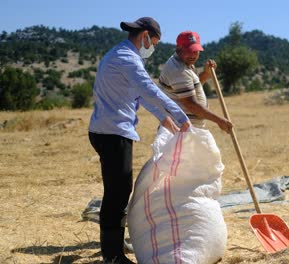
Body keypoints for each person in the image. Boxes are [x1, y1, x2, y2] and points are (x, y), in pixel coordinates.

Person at [88, 17, 191, 264]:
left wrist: (162, 117)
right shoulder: (127, 58)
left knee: (118, 190)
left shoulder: (121, 54)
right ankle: (112, 256)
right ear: (145, 36)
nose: (152, 47)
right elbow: (149, 89)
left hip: (108, 130)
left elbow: (139, 94)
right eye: (153, 42)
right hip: (113, 133)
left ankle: (113, 248)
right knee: (118, 192)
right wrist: (180, 115)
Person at [158, 31, 233, 133]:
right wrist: (219, 120)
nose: (193, 55)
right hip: (180, 130)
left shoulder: (185, 63)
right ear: (178, 48)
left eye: (195, 51)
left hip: (188, 128)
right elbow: (191, 104)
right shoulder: (178, 70)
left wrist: (206, 73)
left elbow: (191, 89)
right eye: (189, 50)